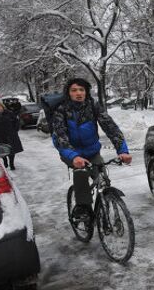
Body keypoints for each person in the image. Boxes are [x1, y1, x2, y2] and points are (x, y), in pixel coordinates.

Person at [50, 78, 132, 224]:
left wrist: (122, 150)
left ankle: (104, 202)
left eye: (81, 90)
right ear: (68, 93)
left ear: (86, 92)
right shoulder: (61, 110)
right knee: (81, 172)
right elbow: (59, 137)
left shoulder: (93, 106)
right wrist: (73, 156)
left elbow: (111, 128)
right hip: (71, 153)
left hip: (92, 152)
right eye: (74, 90)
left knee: (102, 177)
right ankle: (83, 208)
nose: (78, 93)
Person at [0, 102, 24, 170]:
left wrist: (15, 129)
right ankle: (5, 161)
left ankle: (11, 163)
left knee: (11, 150)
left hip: (11, 134)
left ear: (2, 107)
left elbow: (16, 121)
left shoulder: (9, 113)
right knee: (2, 150)